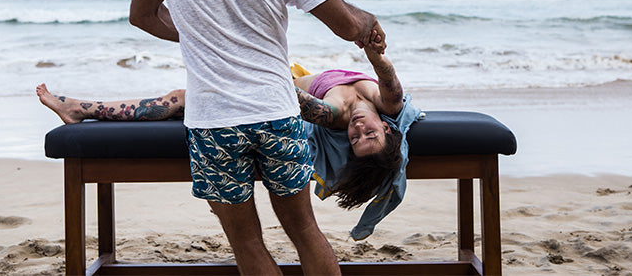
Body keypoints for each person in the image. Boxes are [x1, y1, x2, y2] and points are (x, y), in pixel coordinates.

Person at [125, 0, 388, 275]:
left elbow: (143, 15)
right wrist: (369, 23)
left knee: (246, 241)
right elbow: (346, 25)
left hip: (215, 119)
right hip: (276, 112)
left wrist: (201, 32)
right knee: (304, 231)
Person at [36, 46, 424, 240]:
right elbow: (390, 80)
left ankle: (80, 109)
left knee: (182, 99)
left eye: (355, 140)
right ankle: (80, 109)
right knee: (183, 97)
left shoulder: (335, 115)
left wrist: (250, 58)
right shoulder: (387, 104)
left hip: (273, 90)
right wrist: (375, 52)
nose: (357, 130)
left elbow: (292, 97)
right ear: (388, 129)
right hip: (281, 80)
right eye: (368, 133)